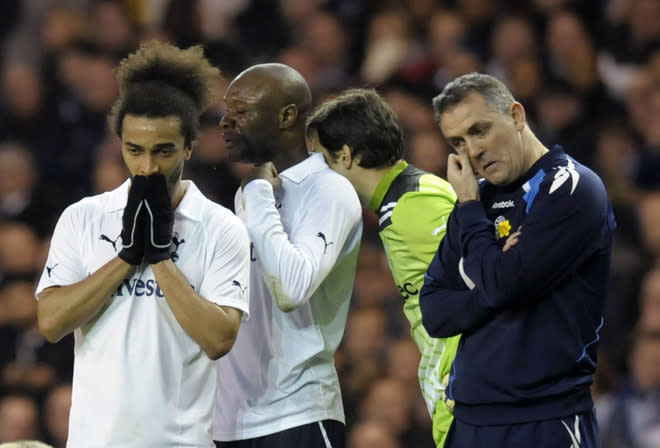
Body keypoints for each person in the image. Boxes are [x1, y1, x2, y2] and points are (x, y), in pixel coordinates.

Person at [35, 41, 251, 448]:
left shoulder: (221, 227)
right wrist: (126, 257)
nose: (147, 167)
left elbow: (219, 339)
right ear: (120, 144)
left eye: (163, 151)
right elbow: (51, 323)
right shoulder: (82, 217)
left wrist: (160, 258)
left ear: (188, 146)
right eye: (135, 150)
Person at [419, 72, 616, 447]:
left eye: (480, 130)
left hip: (546, 420)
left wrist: (492, 275)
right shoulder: (474, 202)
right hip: (470, 421)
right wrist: (498, 281)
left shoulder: (570, 188)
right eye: (457, 142)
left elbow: (500, 285)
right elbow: (435, 310)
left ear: (517, 116)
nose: (472, 151)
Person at [213, 63, 363, 448]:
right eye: (227, 111)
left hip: (298, 413)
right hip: (233, 420)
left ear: (287, 116)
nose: (226, 122)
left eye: (241, 111)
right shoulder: (250, 193)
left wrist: (260, 195)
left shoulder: (329, 191)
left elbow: (291, 289)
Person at [305, 88, 458, 447]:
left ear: (344, 156)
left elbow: (480, 286)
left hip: (467, 395)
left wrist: (464, 382)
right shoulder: (399, 201)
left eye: (319, 160)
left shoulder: (414, 202)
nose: (314, 177)